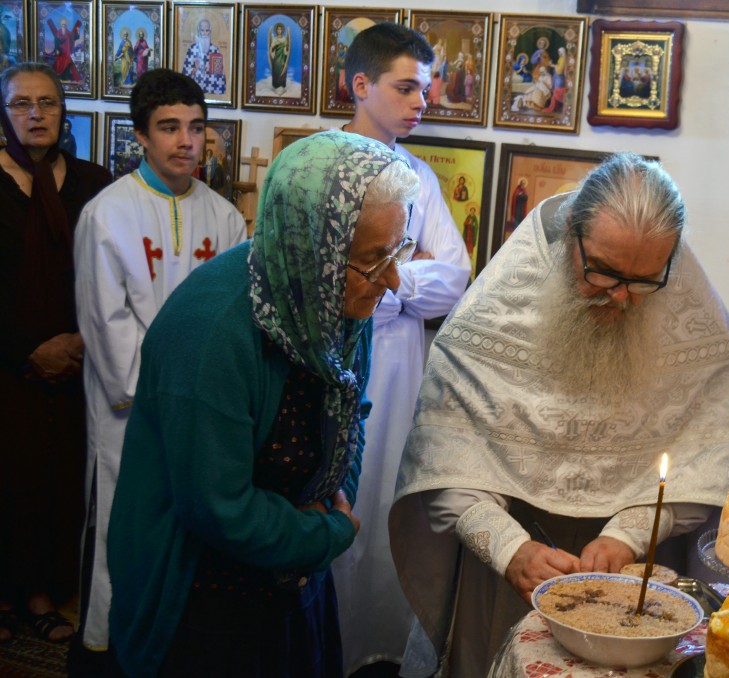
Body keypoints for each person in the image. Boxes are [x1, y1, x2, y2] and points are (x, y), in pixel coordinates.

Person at [390, 152, 729, 677]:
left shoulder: (695, 321)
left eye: (644, 281)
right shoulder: (492, 316)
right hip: (507, 576)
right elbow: (442, 458)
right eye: (603, 272)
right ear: (571, 236)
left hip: (635, 577)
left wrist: (630, 532)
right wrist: (509, 548)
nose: (621, 297)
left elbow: (716, 462)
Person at [104, 129, 420, 677]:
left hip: (293, 576)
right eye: (374, 260)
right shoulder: (210, 333)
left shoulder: (336, 297)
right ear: (313, 249)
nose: (391, 280)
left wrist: (333, 496)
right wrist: (328, 531)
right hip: (206, 602)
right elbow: (216, 507)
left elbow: (351, 408)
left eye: (398, 250)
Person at [71, 68, 247, 673]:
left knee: (189, 524)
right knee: (123, 524)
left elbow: (231, 317)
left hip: (198, 404)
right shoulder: (106, 214)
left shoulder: (224, 217)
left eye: (196, 127)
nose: (186, 141)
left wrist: (202, 390)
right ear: (141, 136)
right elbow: (105, 319)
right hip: (132, 407)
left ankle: (175, 643)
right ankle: (108, 646)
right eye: (169, 128)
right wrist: (157, 390)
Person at [331, 21, 471, 676]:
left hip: (398, 366)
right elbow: (324, 282)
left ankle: (379, 647)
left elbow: (455, 277)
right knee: (334, 496)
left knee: (388, 498)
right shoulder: (321, 164)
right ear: (361, 85)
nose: (421, 102)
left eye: (426, 90)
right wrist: (403, 276)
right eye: (406, 87)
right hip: (332, 359)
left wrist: (384, 284)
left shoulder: (418, 176)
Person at [0, 61, 111, 645]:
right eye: (21, 103)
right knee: (10, 479)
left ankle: (46, 591)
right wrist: (26, 350)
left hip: (77, 358)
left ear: (64, 112)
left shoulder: (93, 182)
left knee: (60, 480)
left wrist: (82, 339)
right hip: (8, 364)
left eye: (47, 102)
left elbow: (112, 271)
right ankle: (10, 595)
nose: (36, 114)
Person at [182, 17, 226, 95]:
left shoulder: (215, 50)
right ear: (198, 31)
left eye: (207, 30)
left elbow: (219, 75)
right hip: (195, 88)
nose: (205, 33)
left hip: (210, 87)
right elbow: (185, 72)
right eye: (202, 30)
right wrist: (195, 69)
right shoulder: (192, 49)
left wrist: (210, 70)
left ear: (210, 31)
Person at [46, 16, 82, 83]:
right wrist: (56, 50)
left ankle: (66, 79)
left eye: (65, 24)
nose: (63, 25)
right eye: (62, 24)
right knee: (59, 65)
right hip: (60, 53)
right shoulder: (58, 33)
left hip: (67, 53)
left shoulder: (69, 33)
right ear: (60, 24)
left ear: (66, 25)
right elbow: (56, 42)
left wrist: (78, 31)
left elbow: (75, 37)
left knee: (66, 66)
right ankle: (59, 78)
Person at [268, 22, 290, 95]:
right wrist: (275, 45)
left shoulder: (284, 39)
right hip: (276, 58)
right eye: (278, 29)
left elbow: (287, 49)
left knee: (282, 70)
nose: (279, 31)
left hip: (283, 58)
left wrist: (286, 47)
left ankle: (282, 85)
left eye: (280, 29)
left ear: (282, 30)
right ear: (276, 30)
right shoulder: (274, 39)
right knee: (276, 70)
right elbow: (271, 49)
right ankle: (276, 85)